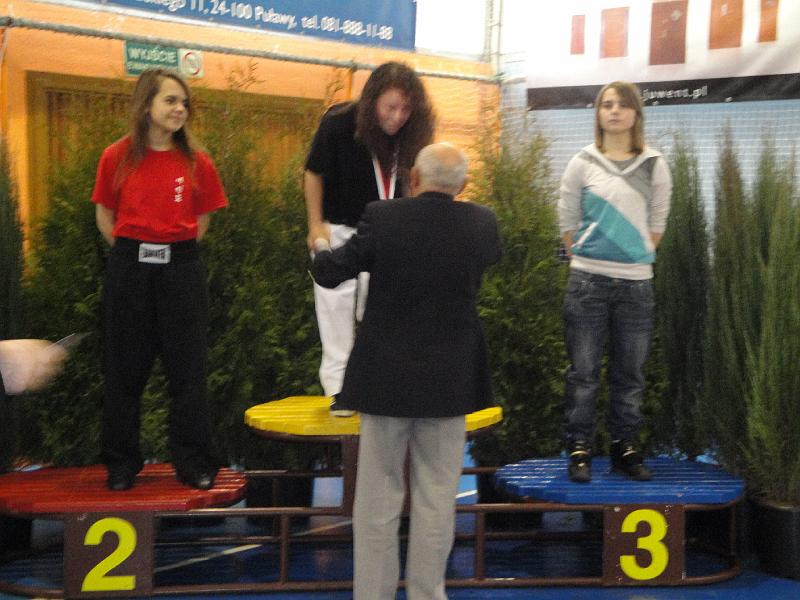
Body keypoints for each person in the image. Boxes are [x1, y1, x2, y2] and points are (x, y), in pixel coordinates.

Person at [312, 143, 501, 600]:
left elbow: (332, 273)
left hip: (385, 380)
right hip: (449, 381)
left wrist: (318, 245)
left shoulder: (383, 216)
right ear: (463, 185)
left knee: (378, 498)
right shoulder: (482, 222)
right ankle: (427, 593)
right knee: (437, 499)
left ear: (413, 179)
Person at [91, 68, 228, 491]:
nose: (180, 109)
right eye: (170, 100)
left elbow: (202, 220)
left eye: (184, 102)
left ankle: (193, 463)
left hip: (181, 270)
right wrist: (134, 254)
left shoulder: (198, 162)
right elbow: (104, 215)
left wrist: (171, 253)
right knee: (123, 371)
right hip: (129, 268)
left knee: (188, 371)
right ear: (146, 104)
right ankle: (121, 464)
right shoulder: (115, 156)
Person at [304, 61, 435, 416]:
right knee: (334, 309)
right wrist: (315, 224)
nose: (397, 117)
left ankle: (378, 384)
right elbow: (313, 173)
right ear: (372, 99)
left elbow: (414, 183)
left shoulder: (415, 133)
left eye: (406, 109)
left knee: (384, 311)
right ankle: (339, 389)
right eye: (390, 107)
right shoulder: (338, 123)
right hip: (341, 228)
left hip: (388, 231)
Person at [558, 81, 672, 483]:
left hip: (636, 287)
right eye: (607, 104)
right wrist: (586, 257)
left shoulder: (654, 164)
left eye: (623, 105)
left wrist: (635, 253)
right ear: (598, 113)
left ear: (636, 113)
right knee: (583, 374)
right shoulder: (582, 161)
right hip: (587, 283)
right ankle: (580, 448)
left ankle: (625, 449)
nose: (615, 111)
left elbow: (658, 219)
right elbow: (567, 218)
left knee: (630, 375)